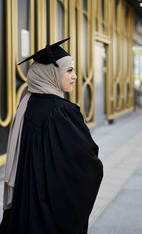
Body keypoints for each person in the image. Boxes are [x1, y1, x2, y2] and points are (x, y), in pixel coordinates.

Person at [0, 38, 103, 234]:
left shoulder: (29, 102)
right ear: (51, 73)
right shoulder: (60, 112)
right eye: (69, 70)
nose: (75, 76)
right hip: (46, 209)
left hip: (26, 198)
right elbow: (84, 163)